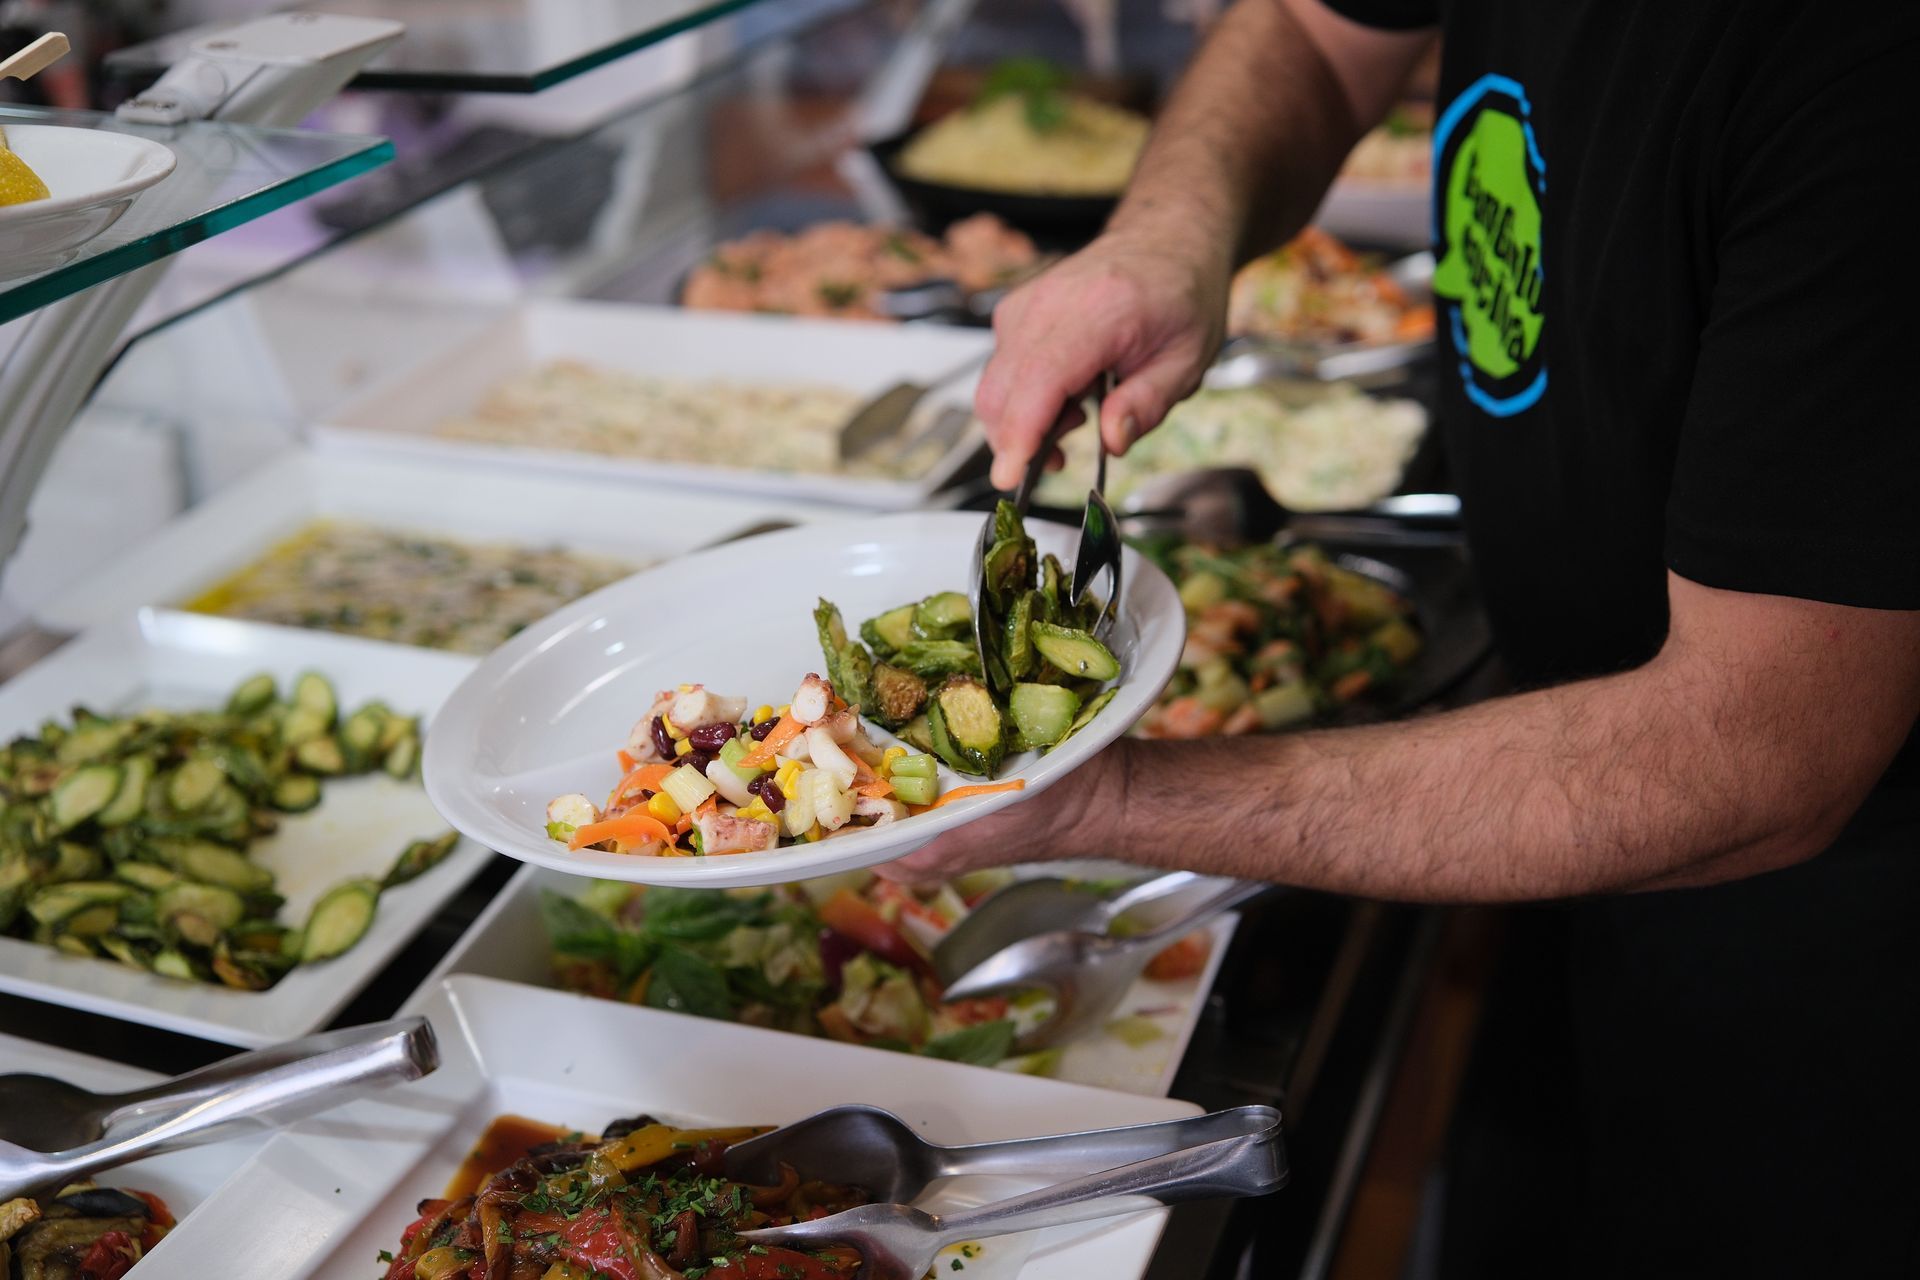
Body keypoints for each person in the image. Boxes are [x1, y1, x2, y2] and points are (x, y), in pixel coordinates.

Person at [890, 0, 1920, 1273]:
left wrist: (1115, 797)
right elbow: (1316, 33)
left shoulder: (1865, 70)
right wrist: (1173, 233)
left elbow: (1762, 752)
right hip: (1553, 816)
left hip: (1830, 952)